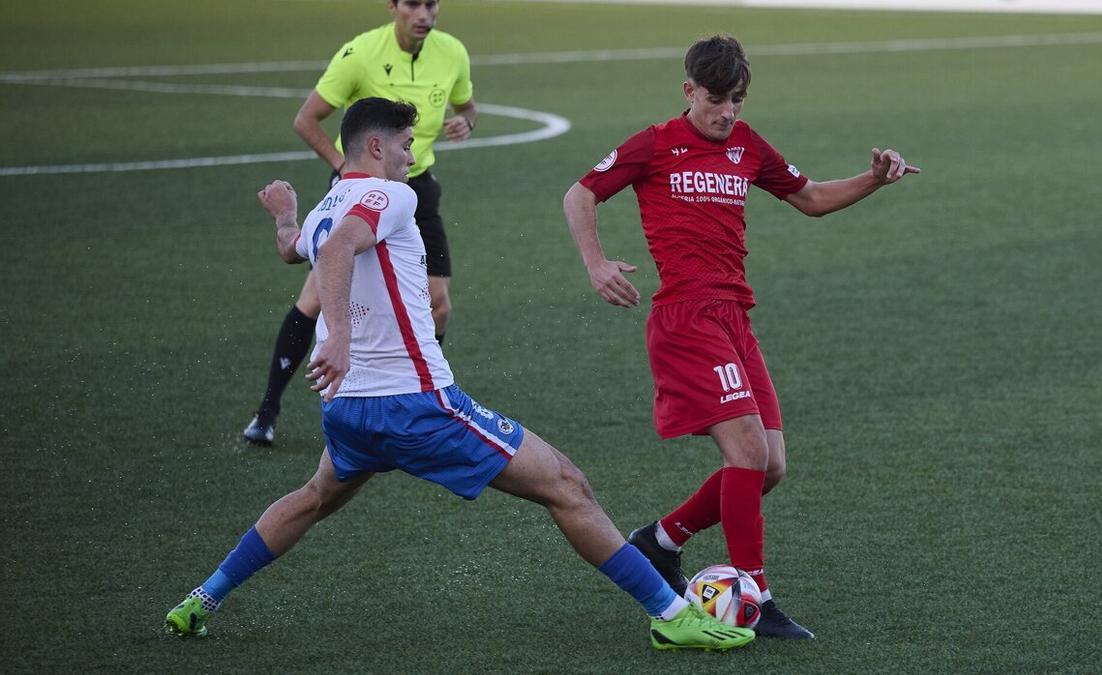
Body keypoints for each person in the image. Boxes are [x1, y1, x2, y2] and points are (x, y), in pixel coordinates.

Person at [165, 98, 754, 652]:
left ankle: (202, 598)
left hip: (348, 410)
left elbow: (299, 248)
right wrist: (340, 339)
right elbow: (343, 248)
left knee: (313, 498)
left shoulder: (325, 207)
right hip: (414, 405)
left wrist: (286, 217)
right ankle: (674, 618)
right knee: (567, 485)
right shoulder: (391, 197)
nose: (410, 156)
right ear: (374, 147)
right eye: (403, 145)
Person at [562, 34, 920, 640]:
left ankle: (659, 540)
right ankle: (755, 592)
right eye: (716, 100)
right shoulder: (654, 144)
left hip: (734, 318)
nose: (728, 112)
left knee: (770, 465)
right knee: (748, 455)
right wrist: (596, 263)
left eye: (737, 100)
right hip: (686, 319)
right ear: (688, 92)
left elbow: (808, 197)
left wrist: (874, 179)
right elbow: (580, 193)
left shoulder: (747, 145)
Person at [244, 0, 475, 445]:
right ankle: (268, 410)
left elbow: (469, 108)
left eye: (432, 4)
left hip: (416, 188)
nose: (424, 13)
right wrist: (346, 170)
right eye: (413, 4)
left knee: (439, 303)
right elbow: (306, 119)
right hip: (359, 190)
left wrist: (465, 121)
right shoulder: (360, 53)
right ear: (393, 7)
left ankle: (413, 390)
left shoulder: (453, 52)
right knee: (314, 299)